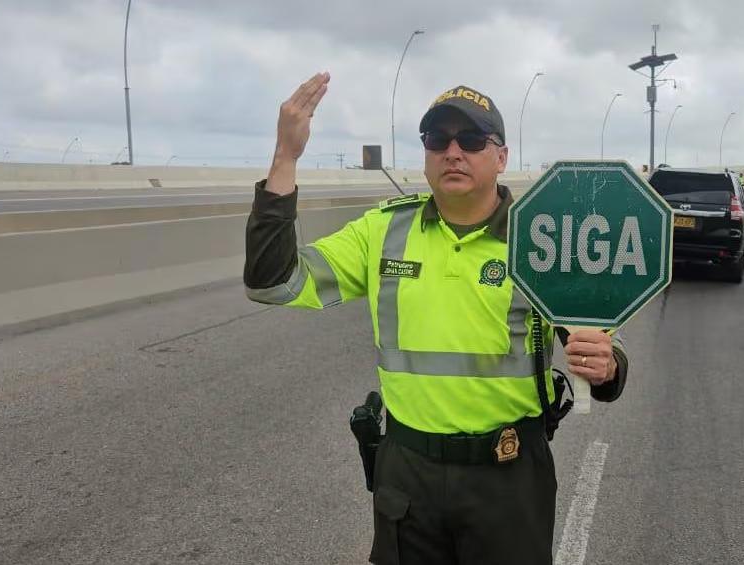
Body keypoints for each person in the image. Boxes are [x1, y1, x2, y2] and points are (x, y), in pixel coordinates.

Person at [242, 73, 630, 565]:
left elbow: (602, 354)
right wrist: (286, 158)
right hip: (408, 475)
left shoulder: (544, 236)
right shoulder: (381, 230)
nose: (453, 151)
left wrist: (607, 366)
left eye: (471, 139)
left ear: (501, 157)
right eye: (437, 139)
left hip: (508, 475)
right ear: (425, 154)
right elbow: (271, 281)